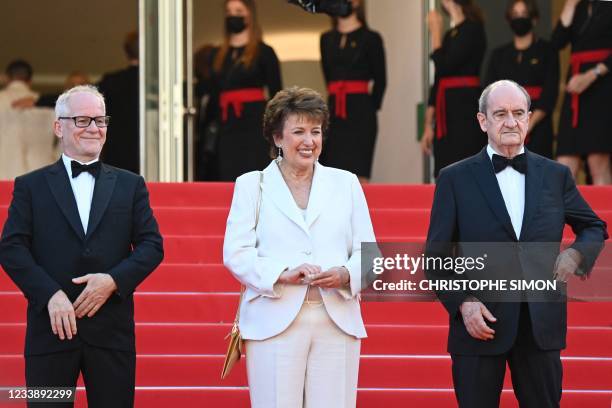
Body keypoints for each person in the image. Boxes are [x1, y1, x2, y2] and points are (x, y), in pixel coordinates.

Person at [424, 80, 607, 407]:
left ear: (529, 118)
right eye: (501, 113)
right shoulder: (454, 178)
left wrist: (577, 254)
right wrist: (463, 303)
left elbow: (593, 226)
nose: (511, 121)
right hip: (479, 325)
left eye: (518, 113)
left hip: (540, 326)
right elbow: (435, 258)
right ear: (483, 121)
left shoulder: (556, 176)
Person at [0, 85, 164, 407]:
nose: (94, 128)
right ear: (59, 126)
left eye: (100, 120)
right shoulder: (30, 186)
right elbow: (11, 247)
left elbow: (152, 245)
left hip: (111, 332)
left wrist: (113, 281)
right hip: (50, 330)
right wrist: (50, 294)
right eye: (83, 120)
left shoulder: (131, 185)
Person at [223, 87, 375, 407]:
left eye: (316, 131)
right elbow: (236, 252)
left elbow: (369, 254)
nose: (309, 141)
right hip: (273, 318)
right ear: (278, 138)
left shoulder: (346, 183)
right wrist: (282, 273)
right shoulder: (252, 185)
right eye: (299, 132)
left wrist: (345, 274)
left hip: (337, 320)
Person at [209, 0, 282, 181]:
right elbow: (213, 93)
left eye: (238, 11)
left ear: (249, 15)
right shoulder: (217, 54)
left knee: (253, 171)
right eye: (229, 11)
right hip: (227, 123)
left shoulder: (264, 52)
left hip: (254, 123)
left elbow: (276, 93)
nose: (233, 15)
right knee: (227, 171)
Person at [318, 0, 386, 182]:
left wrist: (368, 108)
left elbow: (381, 80)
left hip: (361, 115)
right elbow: (328, 77)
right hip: (332, 114)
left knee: (359, 176)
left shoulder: (371, 38)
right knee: (329, 174)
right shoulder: (325, 39)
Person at [421, 0, 487, 177]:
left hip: (465, 106)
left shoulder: (473, 29)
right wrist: (428, 125)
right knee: (444, 167)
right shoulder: (450, 34)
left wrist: (435, 33)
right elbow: (439, 79)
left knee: (465, 165)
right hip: (446, 109)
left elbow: (445, 65)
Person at [485, 0, 559, 159]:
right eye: (515, 15)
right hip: (504, 129)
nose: (519, 19)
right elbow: (489, 94)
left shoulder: (547, 51)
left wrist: (527, 125)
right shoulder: (499, 55)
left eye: (524, 14)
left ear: (534, 18)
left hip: (539, 127)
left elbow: (550, 94)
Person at [551, 0, 612, 184]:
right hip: (576, 88)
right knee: (565, 164)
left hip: (603, 85)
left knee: (597, 163)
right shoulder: (579, 6)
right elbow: (556, 42)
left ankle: (605, 213)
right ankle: (570, 214)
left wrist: (593, 74)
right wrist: (569, 5)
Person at [97, 31, 140, 174]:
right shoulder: (161, 84)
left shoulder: (112, 82)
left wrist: (38, 99)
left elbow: (80, 97)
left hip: (117, 158)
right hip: (153, 158)